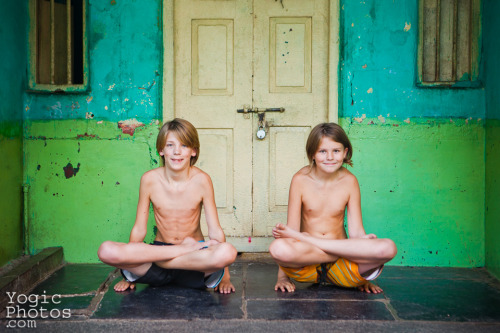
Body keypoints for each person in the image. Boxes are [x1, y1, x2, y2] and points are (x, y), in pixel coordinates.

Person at [98, 118, 237, 293]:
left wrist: (225, 277)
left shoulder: (202, 180)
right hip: (158, 254)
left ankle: (173, 257)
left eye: (184, 145)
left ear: (193, 151)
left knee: (228, 252)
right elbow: (139, 229)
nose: (177, 152)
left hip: (193, 259)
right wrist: (129, 268)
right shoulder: (149, 180)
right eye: (170, 145)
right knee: (106, 250)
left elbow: (215, 231)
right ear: (161, 150)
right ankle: (173, 254)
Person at [269, 122, 397, 293]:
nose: (330, 157)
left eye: (336, 151)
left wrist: (363, 276)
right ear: (312, 154)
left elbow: (357, 232)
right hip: (307, 264)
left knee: (388, 248)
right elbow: (290, 232)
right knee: (277, 248)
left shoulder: (350, 181)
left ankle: (326, 249)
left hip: (342, 267)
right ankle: (329, 249)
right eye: (323, 151)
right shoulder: (300, 180)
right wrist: (282, 277)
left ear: (345, 153)